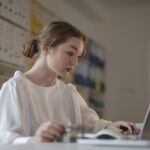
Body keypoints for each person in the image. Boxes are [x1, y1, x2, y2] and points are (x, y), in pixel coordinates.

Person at [0, 21, 139, 144]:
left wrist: (110, 126)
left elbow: (93, 125)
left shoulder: (68, 92)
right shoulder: (16, 87)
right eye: (70, 53)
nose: (75, 63)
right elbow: (6, 139)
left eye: (78, 57)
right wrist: (35, 140)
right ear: (46, 48)